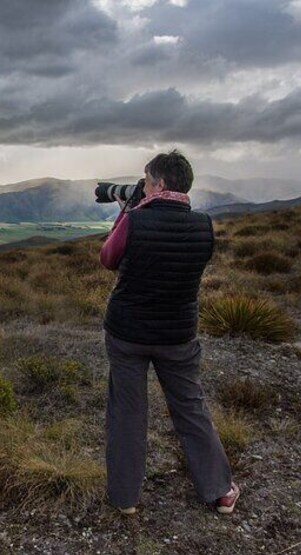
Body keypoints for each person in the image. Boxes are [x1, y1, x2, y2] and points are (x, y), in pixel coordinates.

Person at [99, 150, 239, 515]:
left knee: (128, 412)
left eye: (146, 180)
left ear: (158, 183)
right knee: (191, 408)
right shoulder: (203, 224)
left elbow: (108, 258)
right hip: (177, 333)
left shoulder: (136, 221)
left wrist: (126, 211)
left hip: (128, 332)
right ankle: (220, 491)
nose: (142, 186)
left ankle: (125, 498)